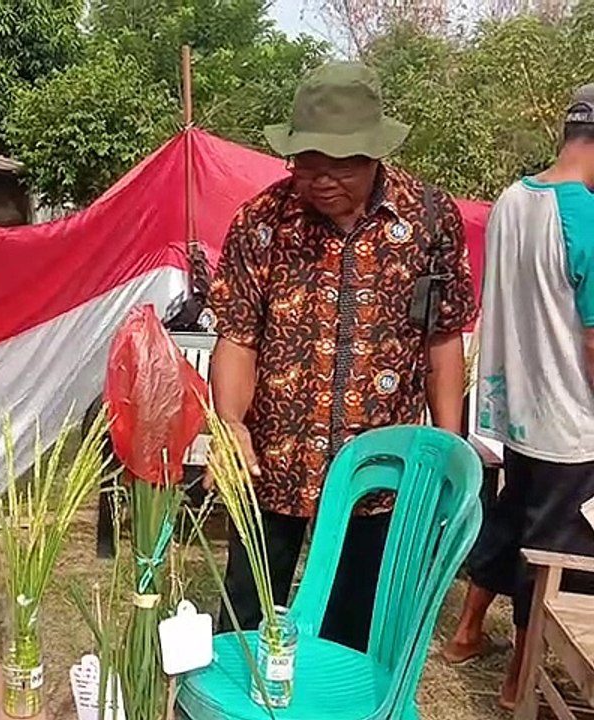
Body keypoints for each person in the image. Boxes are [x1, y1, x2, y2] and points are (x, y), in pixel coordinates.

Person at [209, 62, 477, 652]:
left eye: (342, 165)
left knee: (352, 635)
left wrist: (442, 452)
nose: (322, 179)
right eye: (307, 163)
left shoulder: (430, 218)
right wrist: (230, 425)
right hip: (272, 466)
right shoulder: (261, 222)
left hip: (379, 476)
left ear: (375, 155)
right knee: (246, 624)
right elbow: (237, 335)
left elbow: (443, 338)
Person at [454, 83, 594, 710]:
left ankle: (466, 630)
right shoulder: (586, 218)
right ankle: (519, 675)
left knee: (513, 517)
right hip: (571, 419)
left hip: (516, 410)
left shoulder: (513, 198)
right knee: (558, 552)